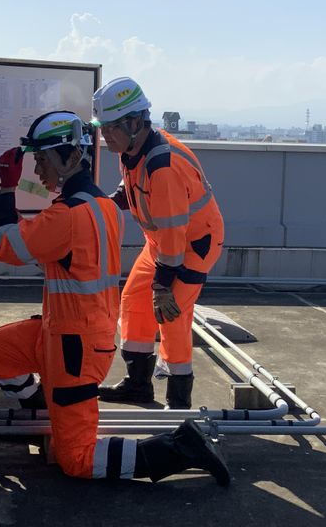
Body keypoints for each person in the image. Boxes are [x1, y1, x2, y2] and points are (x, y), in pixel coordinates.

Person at [0, 110, 229, 484]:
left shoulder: (68, 215)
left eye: (43, 159)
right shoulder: (101, 205)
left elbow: (6, 246)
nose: (37, 170)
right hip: (62, 332)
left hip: (74, 350)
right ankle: (43, 410)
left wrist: (8, 194)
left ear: (71, 157)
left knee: (76, 459)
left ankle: (182, 448)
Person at [92, 78, 225, 410]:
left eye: (111, 127)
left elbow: (174, 234)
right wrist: (106, 204)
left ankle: (178, 402)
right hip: (161, 243)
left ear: (135, 122)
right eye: (102, 128)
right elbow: (132, 187)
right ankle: (137, 385)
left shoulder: (163, 167)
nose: (105, 135)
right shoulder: (132, 150)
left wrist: (163, 285)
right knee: (134, 301)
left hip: (193, 246)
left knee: (171, 314)